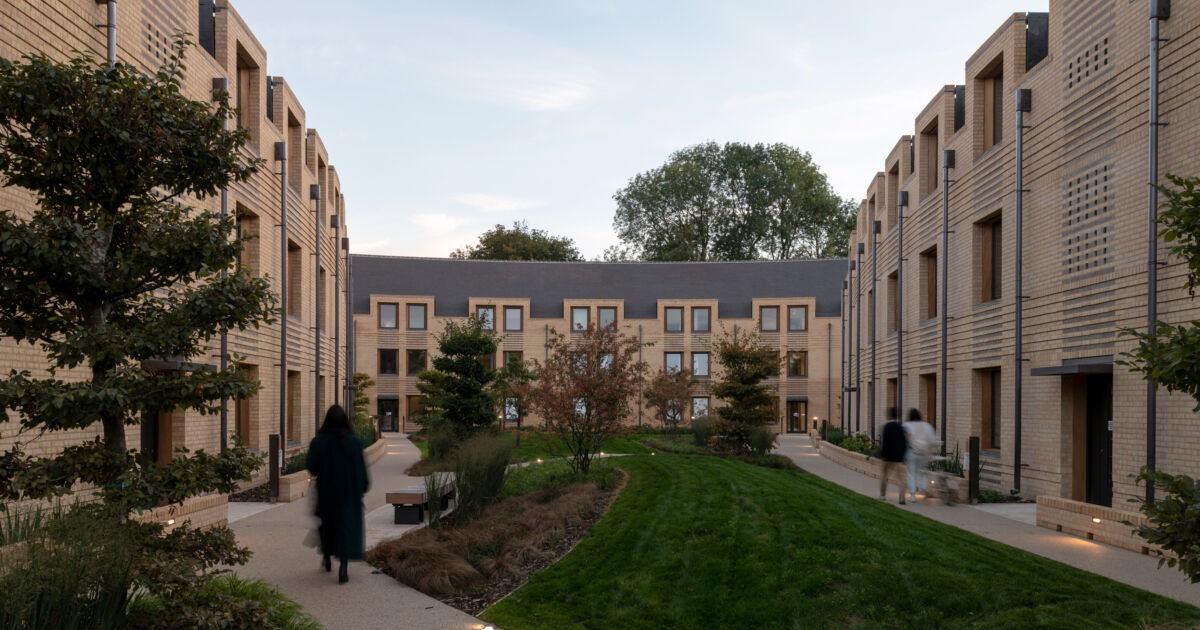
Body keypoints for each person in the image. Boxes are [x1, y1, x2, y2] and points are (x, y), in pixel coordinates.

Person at [306, 405, 369, 584]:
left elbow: (311, 466)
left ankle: (326, 556)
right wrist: (363, 486)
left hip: (327, 491)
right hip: (349, 492)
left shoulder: (319, 441)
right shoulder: (354, 442)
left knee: (327, 524)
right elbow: (361, 469)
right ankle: (344, 565)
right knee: (346, 527)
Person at [902, 409, 939, 502]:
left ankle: (913, 495)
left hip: (912, 453)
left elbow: (903, 439)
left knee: (911, 473)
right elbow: (933, 441)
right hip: (924, 453)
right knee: (922, 471)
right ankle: (925, 489)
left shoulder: (906, 425)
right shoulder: (927, 426)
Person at [877, 407, 908, 504]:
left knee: (884, 476)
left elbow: (885, 442)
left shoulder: (886, 427)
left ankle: (882, 495)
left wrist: (883, 454)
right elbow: (904, 442)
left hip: (888, 457)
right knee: (901, 478)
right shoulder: (901, 427)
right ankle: (902, 498)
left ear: (889, 415)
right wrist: (903, 455)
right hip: (898, 457)